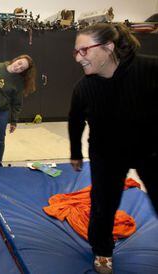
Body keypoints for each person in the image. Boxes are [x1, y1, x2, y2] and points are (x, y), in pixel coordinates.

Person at [68, 23, 158, 274]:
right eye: (75, 52)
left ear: (108, 48)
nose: (78, 57)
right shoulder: (84, 88)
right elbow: (75, 120)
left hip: (151, 149)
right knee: (103, 205)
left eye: (84, 50)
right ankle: (102, 250)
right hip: (106, 153)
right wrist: (75, 152)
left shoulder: (150, 69)